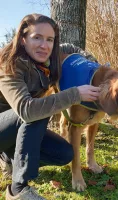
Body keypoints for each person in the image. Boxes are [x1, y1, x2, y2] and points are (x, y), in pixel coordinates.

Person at [0, 13, 100, 200]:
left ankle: (9, 158)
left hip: (16, 127)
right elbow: (27, 110)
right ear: (23, 39)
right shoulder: (9, 64)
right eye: (36, 37)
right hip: (5, 125)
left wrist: (94, 65)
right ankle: (18, 189)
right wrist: (76, 94)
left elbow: (71, 48)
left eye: (49, 39)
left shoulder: (48, 59)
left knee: (63, 154)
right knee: (37, 111)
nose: (44, 45)